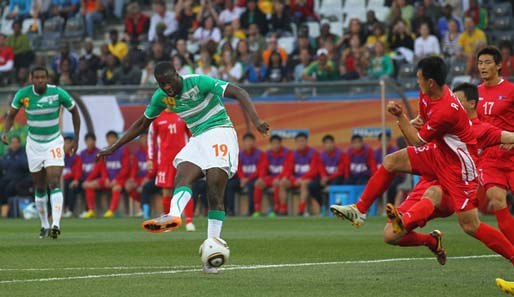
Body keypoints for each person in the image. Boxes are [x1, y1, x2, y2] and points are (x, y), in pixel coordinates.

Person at [330, 56, 514, 266]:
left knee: (470, 225)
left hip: (457, 169)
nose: (417, 82)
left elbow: (417, 141)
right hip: (437, 156)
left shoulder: (449, 111)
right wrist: (417, 122)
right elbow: (423, 128)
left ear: (431, 82)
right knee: (391, 162)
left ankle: (406, 221)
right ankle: (360, 210)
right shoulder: (428, 94)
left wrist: (401, 117)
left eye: (419, 79)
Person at [96, 62, 269, 273]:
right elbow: (142, 124)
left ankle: (212, 247)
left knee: (214, 190)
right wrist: (114, 147)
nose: (167, 87)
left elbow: (239, 92)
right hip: (198, 138)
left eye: (169, 82)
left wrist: (256, 120)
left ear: (177, 75)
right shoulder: (161, 97)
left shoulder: (198, 82)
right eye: (162, 84)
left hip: (220, 131)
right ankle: (174, 215)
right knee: (182, 175)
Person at [2, 66, 81, 239]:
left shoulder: (58, 93)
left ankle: (56, 224)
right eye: (36, 77)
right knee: (39, 186)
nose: (39, 80)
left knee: (53, 182)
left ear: (47, 78)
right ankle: (44, 224)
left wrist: (75, 139)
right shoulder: (23, 94)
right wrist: (6, 131)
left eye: (43, 77)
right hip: (34, 144)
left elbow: (75, 111)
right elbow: (11, 115)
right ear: (31, 79)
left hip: (53, 142)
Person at [476, 46, 514, 245]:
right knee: (496, 199)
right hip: (489, 158)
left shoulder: (511, 90)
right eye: (480, 63)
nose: (483, 67)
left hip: (512, 154)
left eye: (487, 62)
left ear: (499, 65)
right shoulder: (475, 93)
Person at [144, 108, 195, 230]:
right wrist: (150, 158)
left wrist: (194, 155)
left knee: (185, 188)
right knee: (166, 191)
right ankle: (168, 223)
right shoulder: (156, 117)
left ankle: (189, 221)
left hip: (183, 159)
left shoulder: (183, 113)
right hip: (165, 161)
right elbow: (151, 140)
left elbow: (192, 136)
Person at [82, 131, 130, 218]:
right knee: (89, 185)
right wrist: (106, 178)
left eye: (113, 138)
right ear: (107, 139)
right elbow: (101, 167)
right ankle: (91, 210)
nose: (111, 140)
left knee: (116, 187)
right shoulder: (104, 151)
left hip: (120, 180)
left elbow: (125, 168)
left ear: (117, 139)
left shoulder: (123, 150)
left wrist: (117, 179)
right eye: (109, 138)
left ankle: (111, 211)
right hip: (107, 179)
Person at [278, 133, 320, 216]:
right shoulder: (292, 154)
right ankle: (283, 210)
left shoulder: (313, 153)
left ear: (306, 141)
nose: (301, 143)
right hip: (296, 180)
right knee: (282, 183)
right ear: (296, 143)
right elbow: (289, 169)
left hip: (308, 179)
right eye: (299, 141)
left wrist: (302, 178)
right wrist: (286, 178)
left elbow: (314, 171)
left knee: (304, 184)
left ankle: (301, 210)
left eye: (303, 141)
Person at [225, 132, 264, 216]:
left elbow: (259, 170)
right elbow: (237, 168)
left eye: (250, 141)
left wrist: (247, 179)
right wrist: (242, 178)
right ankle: (230, 210)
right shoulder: (240, 154)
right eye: (246, 141)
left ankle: (251, 210)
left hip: (252, 179)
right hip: (241, 179)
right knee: (230, 184)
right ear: (243, 142)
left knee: (251, 185)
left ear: (254, 142)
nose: (248, 143)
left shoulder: (259, 154)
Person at [308, 134, 345, 214]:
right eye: (326, 143)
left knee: (336, 184)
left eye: (330, 143)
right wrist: (324, 177)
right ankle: (323, 205)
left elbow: (340, 171)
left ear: (334, 143)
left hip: (336, 178)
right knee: (312, 186)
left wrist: (329, 178)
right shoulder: (321, 155)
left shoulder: (340, 154)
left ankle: (335, 208)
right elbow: (321, 168)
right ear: (323, 145)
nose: (328, 145)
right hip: (325, 178)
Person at [0, 135, 32, 218]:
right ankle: (4, 209)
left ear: (19, 143)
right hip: (7, 178)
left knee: (9, 187)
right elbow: (3, 165)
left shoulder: (24, 153)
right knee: (1, 185)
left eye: (15, 142)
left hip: (21, 178)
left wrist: (14, 162)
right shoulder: (7, 154)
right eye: (12, 142)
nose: (14, 144)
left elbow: (25, 165)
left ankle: (7, 211)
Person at [77, 133, 100, 218]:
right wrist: (76, 179)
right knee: (71, 186)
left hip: (95, 178)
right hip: (84, 178)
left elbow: (97, 170)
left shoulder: (99, 153)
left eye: (91, 140)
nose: (89, 142)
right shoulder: (82, 153)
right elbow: (79, 168)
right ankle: (68, 210)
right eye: (88, 140)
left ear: (95, 141)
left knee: (86, 186)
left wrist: (88, 180)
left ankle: (87, 210)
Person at [63, 135, 81, 217]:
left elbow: (77, 171)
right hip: (60, 180)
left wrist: (76, 179)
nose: (66, 145)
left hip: (71, 180)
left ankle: (69, 209)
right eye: (64, 143)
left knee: (69, 185)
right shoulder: (59, 157)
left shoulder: (76, 157)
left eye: (68, 143)